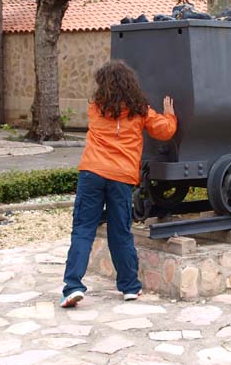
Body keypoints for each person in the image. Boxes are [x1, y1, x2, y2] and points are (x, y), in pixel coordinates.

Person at [60, 60, 177, 307]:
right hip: (121, 177)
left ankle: (73, 287)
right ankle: (130, 287)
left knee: (83, 229)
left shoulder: (95, 108)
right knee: (120, 231)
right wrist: (170, 115)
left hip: (92, 172)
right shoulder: (140, 111)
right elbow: (165, 131)